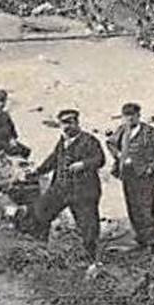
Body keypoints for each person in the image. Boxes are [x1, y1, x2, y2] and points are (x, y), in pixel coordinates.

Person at [22, 108, 105, 257]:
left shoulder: (89, 140)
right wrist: (38, 171)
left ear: (77, 123)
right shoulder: (62, 142)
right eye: (63, 124)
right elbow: (54, 159)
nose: (66, 127)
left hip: (83, 191)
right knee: (41, 211)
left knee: (88, 226)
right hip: (61, 188)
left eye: (69, 123)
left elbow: (100, 159)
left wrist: (84, 164)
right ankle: (39, 248)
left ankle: (92, 258)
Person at [106, 101, 154, 252]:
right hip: (128, 175)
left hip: (145, 177)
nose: (129, 120)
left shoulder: (149, 132)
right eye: (126, 117)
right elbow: (110, 143)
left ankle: (153, 241)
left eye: (132, 116)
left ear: (139, 116)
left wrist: (150, 168)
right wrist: (118, 155)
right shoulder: (122, 130)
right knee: (133, 207)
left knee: (146, 207)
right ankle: (141, 239)